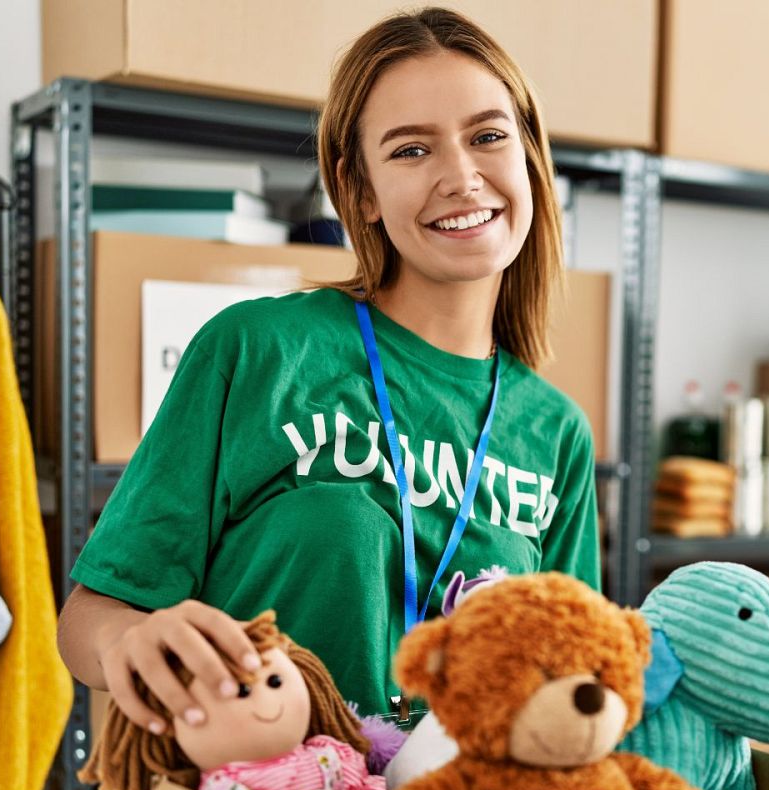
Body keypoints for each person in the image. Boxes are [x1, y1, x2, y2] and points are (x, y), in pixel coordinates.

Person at [57, 7, 599, 749]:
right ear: (362, 190)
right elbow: (88, 620)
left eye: (488, 136)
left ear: (531, 157)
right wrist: (131, 645)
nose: (461, 176)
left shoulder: (556, 431)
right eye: (411, 150)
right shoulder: (257, 351)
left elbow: (572, 689)